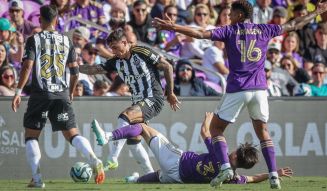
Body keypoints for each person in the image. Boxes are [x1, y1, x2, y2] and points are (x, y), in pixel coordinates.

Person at [152, 0, 327, 189]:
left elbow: (200, 33)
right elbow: (294, 24)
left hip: (238, 89)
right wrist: (316, 12)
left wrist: (174, 26)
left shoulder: (229, 31)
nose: (229, 16)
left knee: (216, 130)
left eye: (232, 14)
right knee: (264, 133)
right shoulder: (265, 29)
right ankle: (274, 175)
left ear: (240, 15)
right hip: (260, 90)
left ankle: (226, 167)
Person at [10, 5, 105, 187]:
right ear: (56, 20)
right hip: (61, 93)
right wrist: (69, 92)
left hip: (41, 93)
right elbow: (76, 72)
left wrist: (17, 91)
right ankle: (93, 158)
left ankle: (37, 179)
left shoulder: (33, 39)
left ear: (40, 19)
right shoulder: (67, 40)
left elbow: (27, 66)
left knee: (31, 136)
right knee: (72, 134)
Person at [79, 29, 180, 174]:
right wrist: (74, 67)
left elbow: (167, 66)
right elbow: (95, 69)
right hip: (138, 102)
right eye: (111, 48)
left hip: (153, 98)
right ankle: (149, 174)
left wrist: (169, 92)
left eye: (116, 47)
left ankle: (113, 156)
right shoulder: (116, 61)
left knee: (124, 116)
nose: (114, 51)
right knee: (134, 142)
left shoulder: (141, 52)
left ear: (125, 42)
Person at [91, 112, 293, 184]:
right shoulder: (232, 177)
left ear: (234, 154)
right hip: (179, 179)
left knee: (143, 128)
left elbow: (205, 133)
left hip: (177, 161)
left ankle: (108, 136)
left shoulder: (219, 155)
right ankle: (134, 180)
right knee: (158, 177)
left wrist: (207, 120)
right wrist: (273, 173)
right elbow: (250, 179)